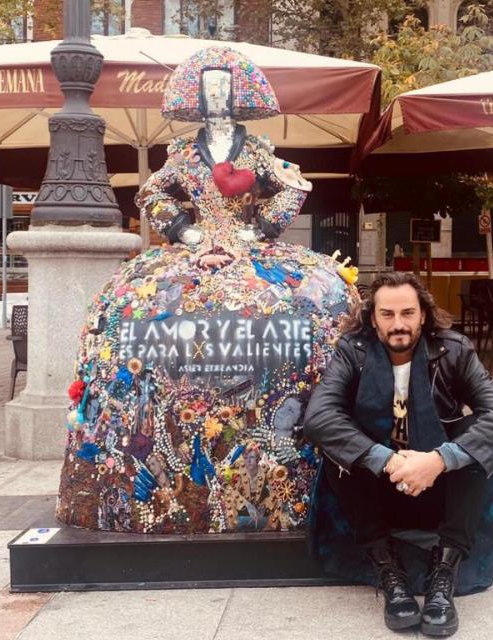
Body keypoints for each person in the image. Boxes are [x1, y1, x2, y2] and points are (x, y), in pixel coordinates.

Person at [55, 47, 358, 536]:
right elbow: (151, 194)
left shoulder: (256, 151)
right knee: (134, 310)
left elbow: (291, 187)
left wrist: (257, 230)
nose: (217, 98)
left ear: (237, 95)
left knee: (312, 303)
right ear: (197, 97)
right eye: (209, 90)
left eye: (224, 90)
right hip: (193, 250)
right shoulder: (181, 153)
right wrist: (184, 232)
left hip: (248, 247)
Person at [304, 272, 493, 637]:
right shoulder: (352, 352)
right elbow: (320, 416)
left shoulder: (454, 351)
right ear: (373, 318)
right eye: (387, 314)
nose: (398, 324)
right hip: (378, 489)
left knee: (474, 440)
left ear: (423, 314)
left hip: (439, 489)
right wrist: (386, 459)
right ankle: (390, 572)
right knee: (340, 444)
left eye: (408, 313)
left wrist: (439, 460)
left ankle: (444, 575)